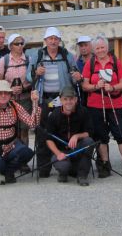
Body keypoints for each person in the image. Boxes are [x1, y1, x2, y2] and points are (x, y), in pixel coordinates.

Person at [29, 26, 82, 178]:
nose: (53, 41)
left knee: (63, 130)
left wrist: (78, 77)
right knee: (43, 133)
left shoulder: (67, 55)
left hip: (62, 100)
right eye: (50, 38)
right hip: (44, 98)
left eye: (56, 38)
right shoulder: (38, 55)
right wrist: (35, 73)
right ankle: (44, 168)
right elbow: (28, 76)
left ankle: (66, 164)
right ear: (45, 41)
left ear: (59, 41)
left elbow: (74, 76)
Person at [81, 35, 122, 179]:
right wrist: (95, 86)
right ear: (94, 49)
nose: (100, 50)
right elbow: (84, 85)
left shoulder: (115, 62)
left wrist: (112, 87)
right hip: (95, 105)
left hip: (115, 104)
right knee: (101, 136)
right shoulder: (90, 64)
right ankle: (104, 164)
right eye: (97, 48)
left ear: (107, 47)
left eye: (102, 47)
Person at [46, 86, 96, 186]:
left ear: (76, 99)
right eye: (65, 99)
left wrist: (76, 136)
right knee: (64, 166)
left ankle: (82, 175)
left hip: (77, 149)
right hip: (61, 151)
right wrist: (58, 153)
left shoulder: (83, 112)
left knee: (89, 142)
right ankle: (64, 172)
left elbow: (90, 132)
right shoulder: (54, 115)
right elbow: (49, 139)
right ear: (60, 100)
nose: (68, 102)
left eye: (71, 99)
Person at [0, 33, 32, 149]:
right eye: (17, 44)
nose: (20, 46)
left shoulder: (28, 60)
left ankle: (23, 160)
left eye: (22, 43)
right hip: (9, 101)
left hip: (25, 99)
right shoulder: (4, 61)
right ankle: (11, 157)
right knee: (11, 130)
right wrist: (9, 90)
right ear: (11, 46)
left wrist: (25, 88)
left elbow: (33, 81)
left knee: (24, 130)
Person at [75, 35, 93, 106]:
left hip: (95, 96)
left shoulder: (97, 60)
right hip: (81, 98)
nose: (83, 48)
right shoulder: (76, 63)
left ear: (91, 46)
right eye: (81, 46)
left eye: (86, 45)